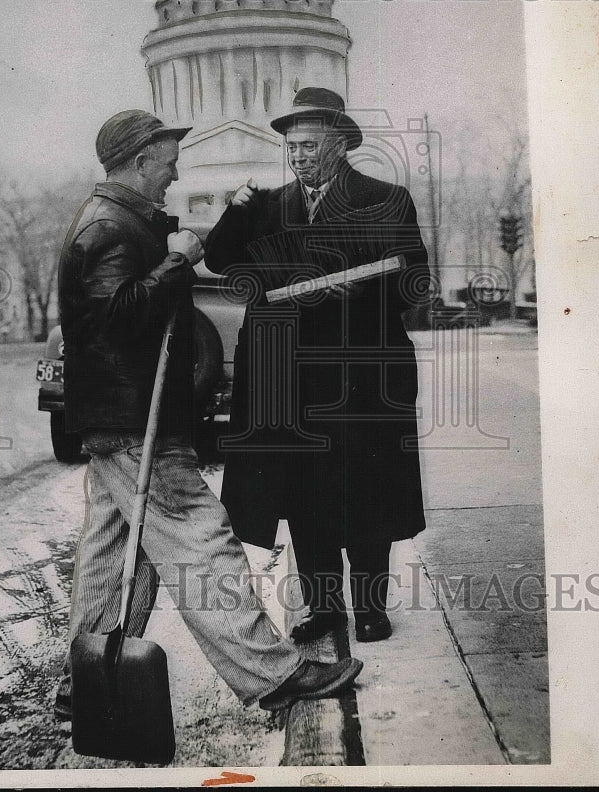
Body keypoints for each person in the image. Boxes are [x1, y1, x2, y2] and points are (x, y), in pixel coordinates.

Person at [53, 108, 362, 723]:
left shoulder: (119, 219)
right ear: (140, 161)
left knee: (116, 551)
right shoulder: (111, 227)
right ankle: (273, 673)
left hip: (122, 418)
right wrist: (179, 260)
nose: (173, 173)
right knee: (203, 541)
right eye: (167, 162)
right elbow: (113, 317)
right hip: (135, 421)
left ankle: (84, 685)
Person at [204, 88, 430, 645]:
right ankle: (324, 610)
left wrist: (342, 290)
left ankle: (370, 608)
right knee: (303, 493)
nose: (297, 156)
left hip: (358, 372)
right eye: (291, 146)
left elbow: (413, 281)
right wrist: (234, 208)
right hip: (289, 377)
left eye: (308, 145)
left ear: (339, 145)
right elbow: (218, 259)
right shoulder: (264, 205)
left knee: (366, 487)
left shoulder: (386, 198)